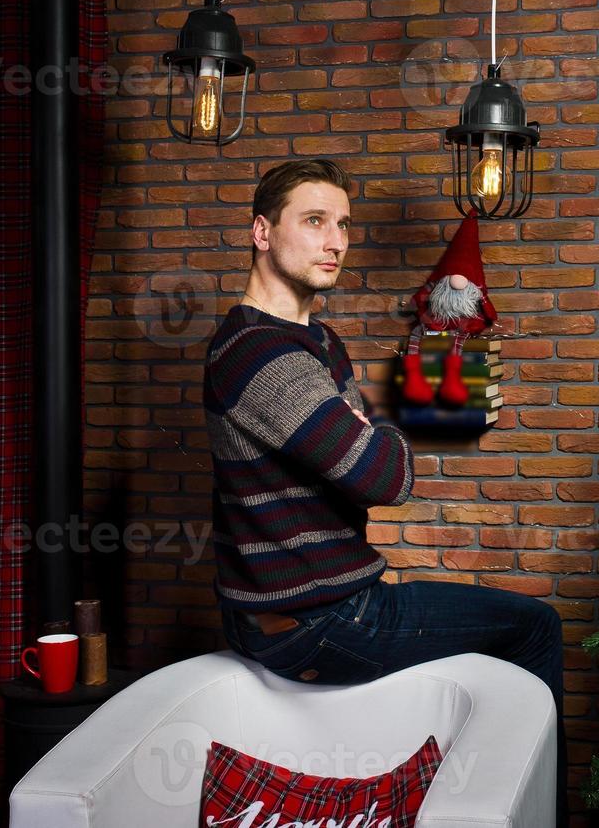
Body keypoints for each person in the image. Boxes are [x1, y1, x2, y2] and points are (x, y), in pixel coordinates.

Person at [205, 158, 569, 828]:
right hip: (319, 622)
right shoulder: (259, 354)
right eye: (313, 221)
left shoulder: (317, 341)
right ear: (262, 232)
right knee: (537, 627)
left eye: (342, 224)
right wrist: (370, 435)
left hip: (317, 608)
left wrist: (368, 436)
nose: (335, 240)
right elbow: (385, 478)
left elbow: (367, 454)